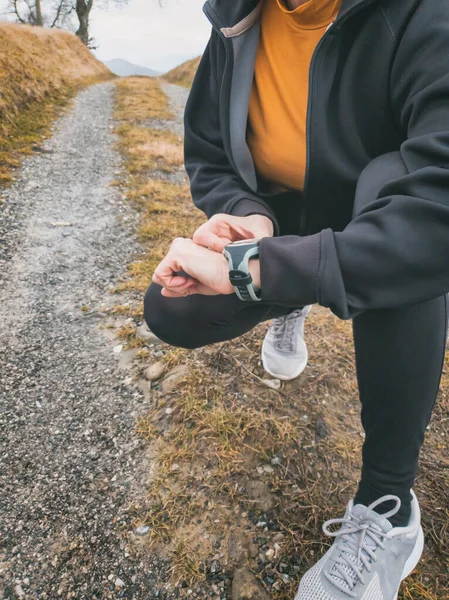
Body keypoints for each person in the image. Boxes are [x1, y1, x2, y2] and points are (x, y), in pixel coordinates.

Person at [144, 0, 449, 597]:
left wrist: (260, 269)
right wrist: (248, 220)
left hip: (381, 219)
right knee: (170, 307)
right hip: (285, 217)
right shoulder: (236, 15)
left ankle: (389, 509)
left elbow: (435, 210)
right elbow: (207, 148)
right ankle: (292, 292)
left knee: (401, 222)